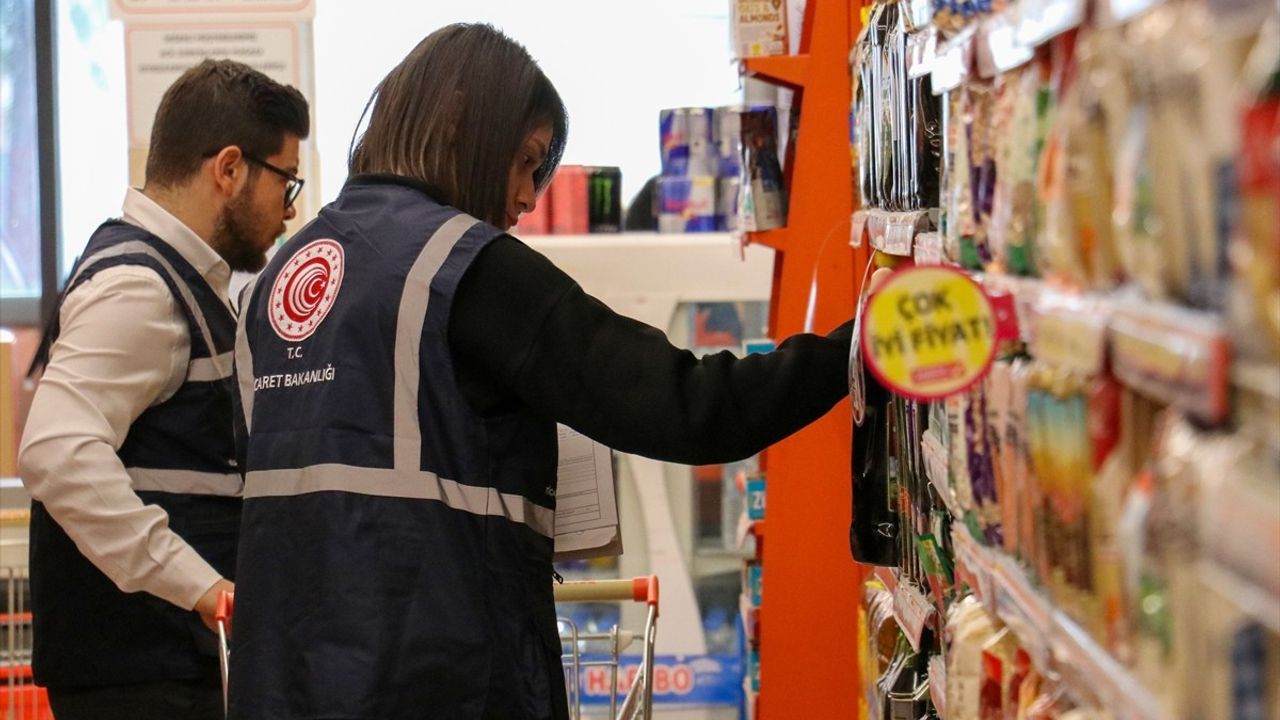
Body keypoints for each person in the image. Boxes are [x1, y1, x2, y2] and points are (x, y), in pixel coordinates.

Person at [230, 24, 852, 720]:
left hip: (283, 683)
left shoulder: (278, 281)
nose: (527, 198)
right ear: (465, 120)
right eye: (526, 162)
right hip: (438, 678)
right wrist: (856, 351)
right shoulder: (465, 268)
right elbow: (692, 407)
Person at [18, 59, 309, 719]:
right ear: (229, 169)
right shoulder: (141, 288)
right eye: (286, 183)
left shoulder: (176, 280)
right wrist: (203, 587)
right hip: (143, 674)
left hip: (161, 667)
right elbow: (56, 452)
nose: (288, 214)